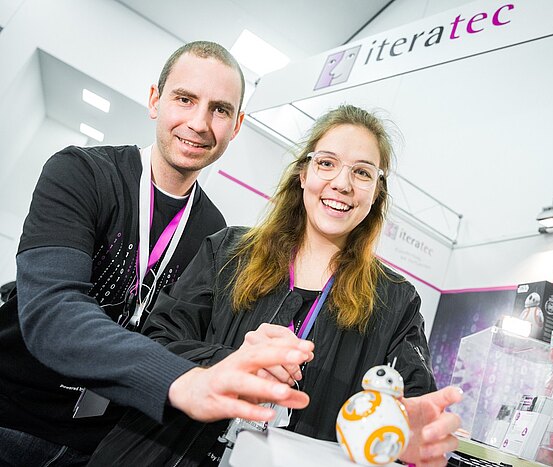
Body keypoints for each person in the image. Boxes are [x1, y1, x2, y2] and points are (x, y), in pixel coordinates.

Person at [90, 105, 461, 467]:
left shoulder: (396, 301)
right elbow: (157, 342)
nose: (342, 184)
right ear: (303, 174)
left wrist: (410, 432)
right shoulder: (228, 251)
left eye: (363, 172)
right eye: (327, 163)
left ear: (377, 192)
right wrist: (229, 361)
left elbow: (413, 401)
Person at [0, 41, 313, 466]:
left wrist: (238, 355)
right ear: (155, 100)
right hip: (12, 414)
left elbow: (178, 339)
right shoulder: (81, 173)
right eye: (185, 99)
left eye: (220, 110)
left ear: (236, 125)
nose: (199, 123)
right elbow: (52, 310)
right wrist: (180, 381)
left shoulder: (214, 234)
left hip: (102, 444)